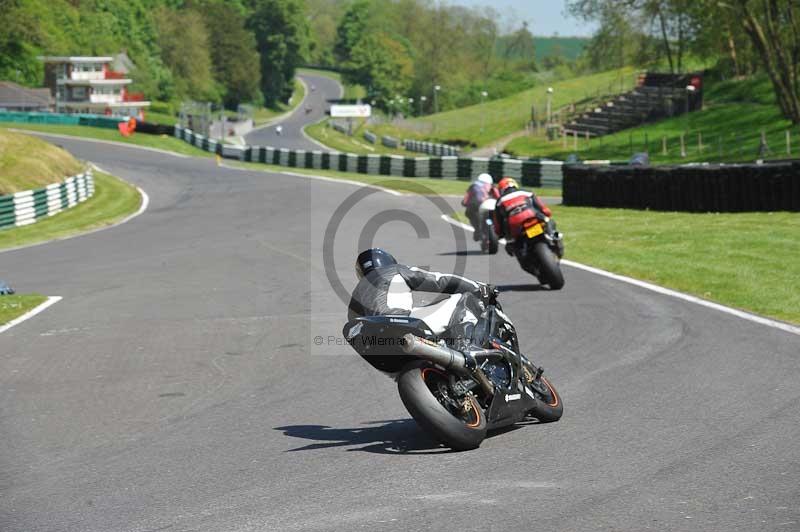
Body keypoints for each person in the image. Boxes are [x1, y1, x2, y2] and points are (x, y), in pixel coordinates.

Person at [348, 248, 497, 341]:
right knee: (463, 299)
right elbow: (439, 281)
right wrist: (478, 287)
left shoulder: (354, 297)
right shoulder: (394, 270)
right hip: (401, 323)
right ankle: (466, 346)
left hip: (377, 348)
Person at [492, 177, 552, 251]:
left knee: (511, 244)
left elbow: (498, 222)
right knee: (549, 222)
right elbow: (540, 206)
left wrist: (499, 233)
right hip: (532, 216)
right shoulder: (527, 191)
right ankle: (553, 237)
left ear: (501, 189)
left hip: (515, 225)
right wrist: (547, 213)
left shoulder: (499, 201)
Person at [461, 173, 498, 240]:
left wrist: (465, 203)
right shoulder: (492, 187)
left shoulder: (472, 186)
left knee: (468, 213)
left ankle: (477, 230)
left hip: (475, 209)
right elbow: (499, 197)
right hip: (488, 209)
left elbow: (465, 201)